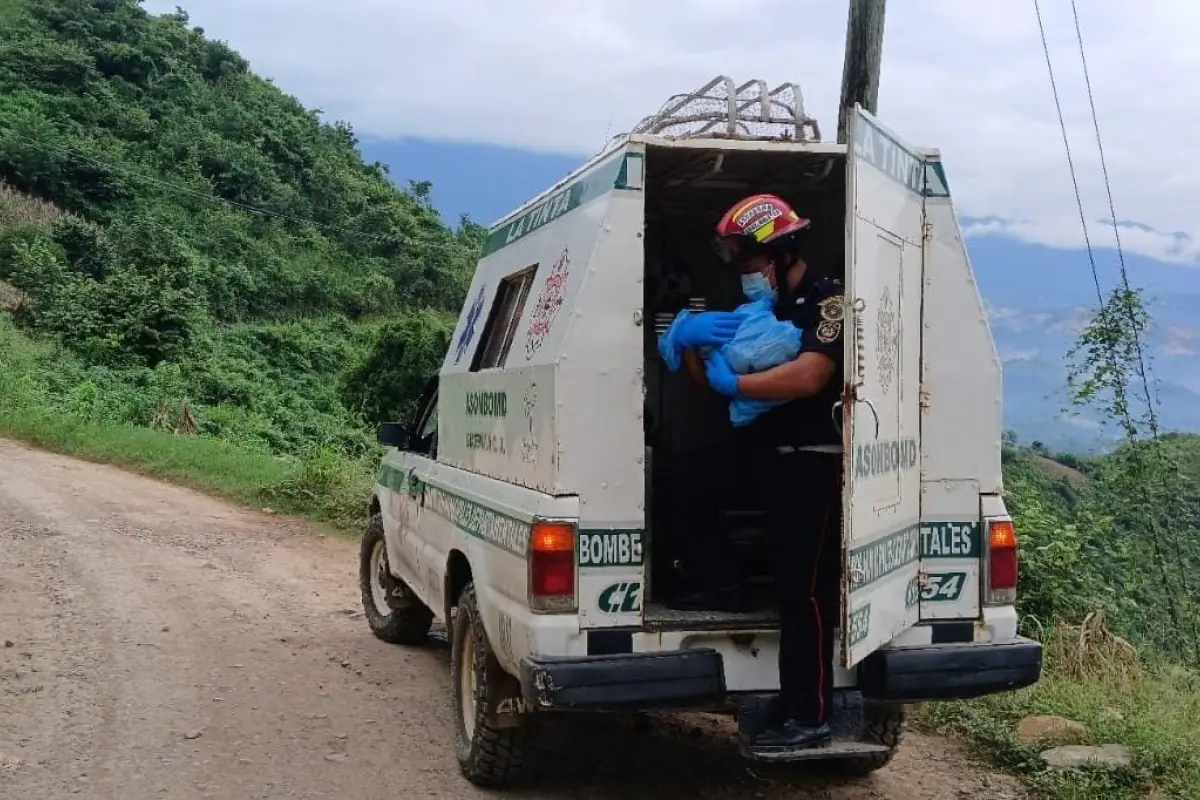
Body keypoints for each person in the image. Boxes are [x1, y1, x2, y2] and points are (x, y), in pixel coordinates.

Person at [691, 192, 846, 753]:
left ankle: (811, 715)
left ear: (780, 253)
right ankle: (787, 696)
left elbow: (809, 377)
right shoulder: (768, 311)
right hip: (767, 456)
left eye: (752, 264)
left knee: (804, 593)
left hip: (810, 463)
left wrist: (736, 386)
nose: (747, 277)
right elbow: (716, 367)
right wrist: (690, 344)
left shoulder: (826, 302)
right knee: (693, 484)